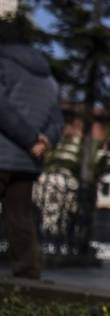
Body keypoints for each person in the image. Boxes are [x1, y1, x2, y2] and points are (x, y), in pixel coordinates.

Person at [0, 16, 64, 280]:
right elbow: (57, 120)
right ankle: (27, 272)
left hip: (4, 152)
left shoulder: (3, 65)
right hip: (28, 161)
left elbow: (2, 109)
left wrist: (28, 138)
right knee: (20, 217)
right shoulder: (48, 79)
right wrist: (43, 141)